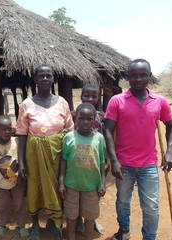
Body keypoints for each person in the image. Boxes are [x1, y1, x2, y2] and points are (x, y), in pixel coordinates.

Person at [104, 59, 172, 240]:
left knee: (151, 206)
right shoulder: (117, 101)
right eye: (134, 76)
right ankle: (124, 230)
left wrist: (170, 151)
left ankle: (149, 237)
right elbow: (107, 130)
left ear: (149, 76)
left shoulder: (159, 102)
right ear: (128, 77)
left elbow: (171, 126)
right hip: (123, 163)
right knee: (122, 201)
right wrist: (113, 160)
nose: (138, 79)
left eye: (143, 75)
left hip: (148, 165)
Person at [16, 64, 74, 240]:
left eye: (48, 76)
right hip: (33, 154)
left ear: (53, 79)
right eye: (41, 76)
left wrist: (70, 157)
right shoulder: (26, 104)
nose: (45, 79)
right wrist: (21, 161)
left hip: (58, 154)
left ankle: (54, 223)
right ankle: (34, 224)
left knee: (57, 187)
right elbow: (21, 134)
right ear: (35, 79)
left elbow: (70, 131)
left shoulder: (62, 102)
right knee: (34, 187)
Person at [60, 103, 106, 240]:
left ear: (94, 120)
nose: (85, 122)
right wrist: (61, 182)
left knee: (90, 216)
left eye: (89, 119)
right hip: (71, 185)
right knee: (71, 215)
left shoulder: (99, 138)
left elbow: (102, 162)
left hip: (91, 186)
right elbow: (63, 161)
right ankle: (71, 236)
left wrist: (102, 182)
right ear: (75, 119)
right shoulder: (69, 137)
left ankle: (88, 237)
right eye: (81, 118)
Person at [74, 84, 109, 234]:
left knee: (94, 192)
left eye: (94, 96)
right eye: (86, 95)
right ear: (80, 96)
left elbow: (106, 138)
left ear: (98, 97)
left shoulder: (102, 116)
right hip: (79, 160)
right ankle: (79, 222)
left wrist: (107, 160)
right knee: (78, 191)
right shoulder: (75, 114)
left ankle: (92, 220)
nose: (90, 99)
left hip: (95, 160)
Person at [0, 115, 29, 240]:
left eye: (9, 129)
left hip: (18, 183)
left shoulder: (17, 142)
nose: (7, 132)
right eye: (3, 129)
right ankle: (2, 225)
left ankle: (22, 227)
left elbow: (23, 160)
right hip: (2, 185)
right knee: (2, 207)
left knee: (19, 205)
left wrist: (24, 178)